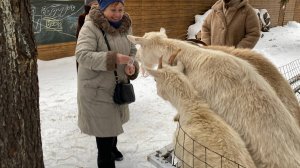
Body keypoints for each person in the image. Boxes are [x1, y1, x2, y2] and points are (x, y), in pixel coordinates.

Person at [75, 0, 139, 167]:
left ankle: (113, 148)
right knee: (104, 131)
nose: (117, 14)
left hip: (116, 85)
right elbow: (82, 55)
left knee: (113, 121)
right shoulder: (90, 27)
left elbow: (132, 50)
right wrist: (113, 58)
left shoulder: (125, 25)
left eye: (120, 9)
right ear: (103, 9)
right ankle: (106, 158)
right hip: (96, 88)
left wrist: (132, 65)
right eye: (113, 9)